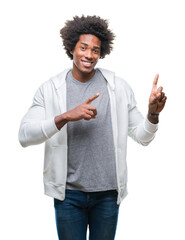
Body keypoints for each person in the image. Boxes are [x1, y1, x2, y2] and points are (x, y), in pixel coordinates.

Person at [18, 15, 167, 240]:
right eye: (83, 47)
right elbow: (24, 135)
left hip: (107, 195)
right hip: (68, 196)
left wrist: (153, 113)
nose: (89, 55)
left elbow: (142, 136)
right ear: (71, 48)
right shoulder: (50, 90)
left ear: (101, 53)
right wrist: (66, 116)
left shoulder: (118, 87)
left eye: (95, 50)